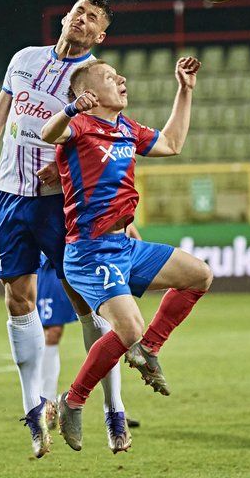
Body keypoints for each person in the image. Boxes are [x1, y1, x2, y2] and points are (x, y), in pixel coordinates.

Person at [0, 0, 130, 458]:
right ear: (65, 17)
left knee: (88, 300)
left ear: (100, 36)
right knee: (17, 299)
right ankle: (33, 411)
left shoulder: (95, 77)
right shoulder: (24, 59)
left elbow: (110, 143)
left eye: (93, 18)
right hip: (10, 196)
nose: (81, 20)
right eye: (78, 11)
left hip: (61, 203)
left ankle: (113, 406)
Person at [40, 56, 213, 452]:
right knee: (128, 328)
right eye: (109, 76)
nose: (121, 79)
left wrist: (184, 91)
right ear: (87, 92)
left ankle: (149, 349)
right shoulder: (80, 125)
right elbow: (51, 134)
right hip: (89, 253)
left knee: (199, 275)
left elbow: (171, 144)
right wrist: (70, 109)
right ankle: (73, 400)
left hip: (124, 245)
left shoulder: (126, 128)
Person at [37, 226, 143, 430]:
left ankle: (115, 408)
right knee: (52, 332)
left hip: (89, 258)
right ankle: (48, 405)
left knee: (106, 330)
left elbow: (123, 223)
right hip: (55, 259)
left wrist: (135, 249)